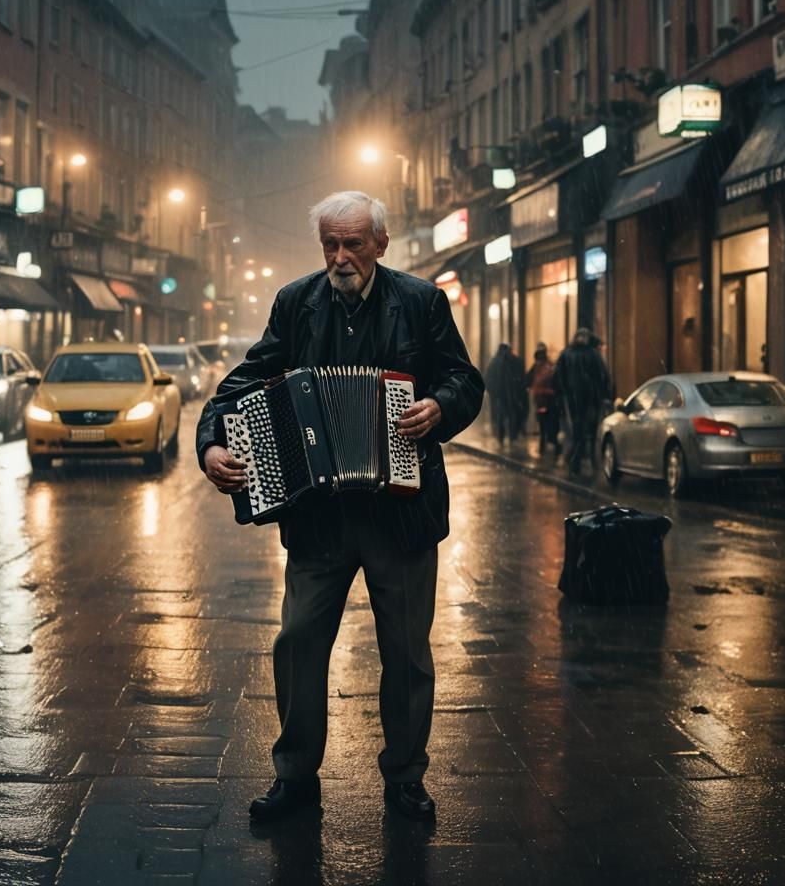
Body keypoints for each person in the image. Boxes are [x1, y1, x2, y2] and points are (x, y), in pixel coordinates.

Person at [196, 190, 483, 824]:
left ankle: (406, 778)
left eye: (354, 242)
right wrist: (211, 441)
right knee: (298, 643)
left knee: (406, 654)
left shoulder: (421, 301)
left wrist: (442, 407)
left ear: (381, 243)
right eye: (330, 243)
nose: (341, 255)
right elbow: (243, 381)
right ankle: (295, 777)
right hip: (319, 515)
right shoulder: (296, 302)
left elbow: (463, 378)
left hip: (401, 514)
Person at [554, 327, 611, 476]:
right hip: (591, 398)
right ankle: (590, 461)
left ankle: (576, 462)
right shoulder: (593, 354)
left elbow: (558, 376)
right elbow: (603, 375)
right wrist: (604, 394)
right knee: (590, 431)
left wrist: (563, 393)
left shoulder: (566, 354)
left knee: (577, 430)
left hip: (572, 399)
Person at [484, 342, 526, 444]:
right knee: (509, 416)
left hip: (503, 395)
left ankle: (503, 438)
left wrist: (494, 393)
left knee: (503, 417)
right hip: (506, 395)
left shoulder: (496, 362)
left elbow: (487, 380)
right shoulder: (506, 361)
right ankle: (511, 438)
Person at [526, 343, 560, 456]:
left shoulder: (537, 366)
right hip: (548, 399)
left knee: (544, 423)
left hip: (542, 399)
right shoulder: (549, 365)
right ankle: (551, 444)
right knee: (548, 423)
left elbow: (527, 380)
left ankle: (545, 445)